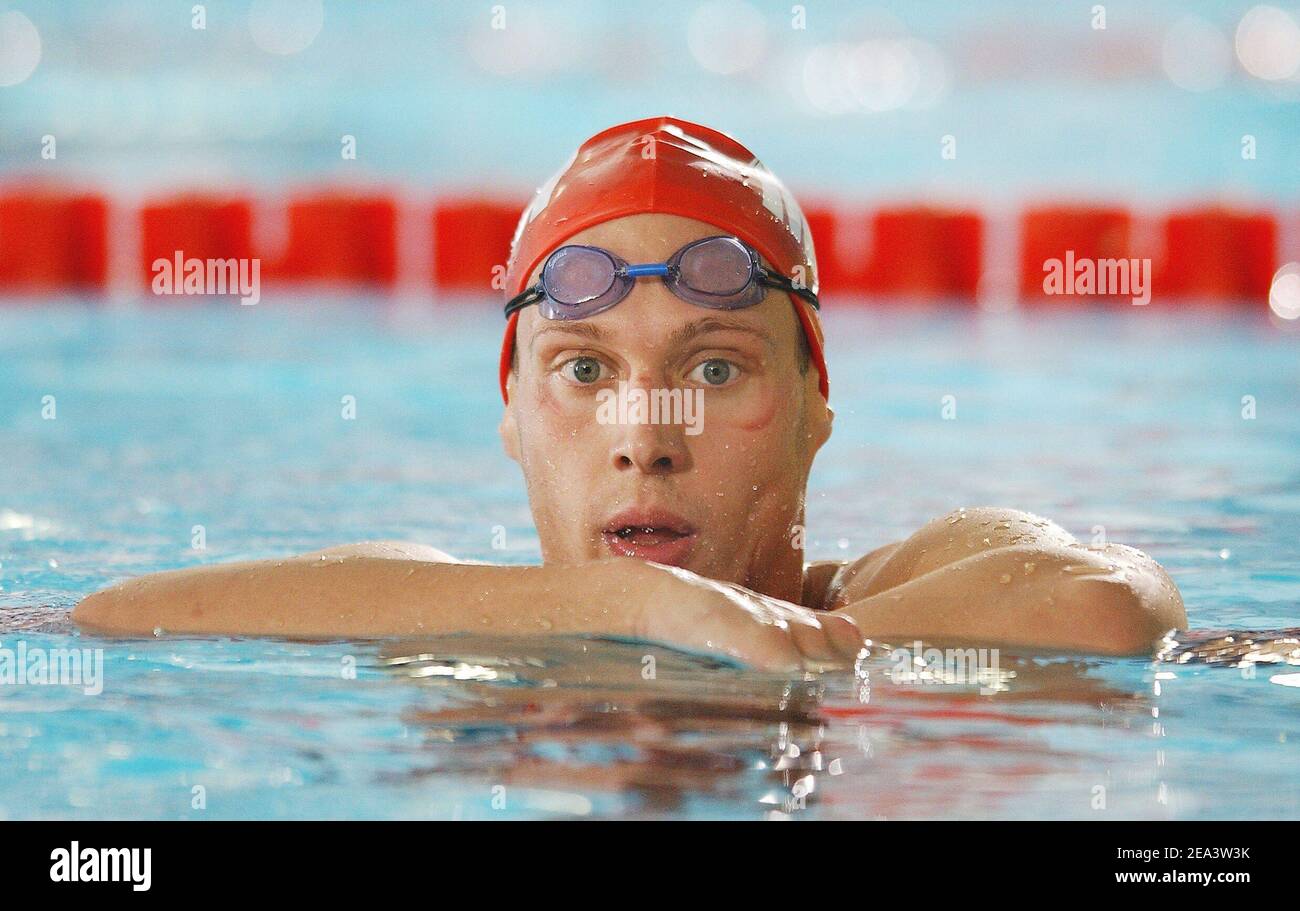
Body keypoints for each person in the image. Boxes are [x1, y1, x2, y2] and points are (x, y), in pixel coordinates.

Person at [73, 116, 1186, 670]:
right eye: (586, 369)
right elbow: (108, 618)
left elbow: (1110, 603)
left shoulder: (914, 581)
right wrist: (632, 608)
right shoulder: (439, 605)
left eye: (713, 367)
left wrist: (761, 638)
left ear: (815, 405)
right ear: (511, 414)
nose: (645, 438)